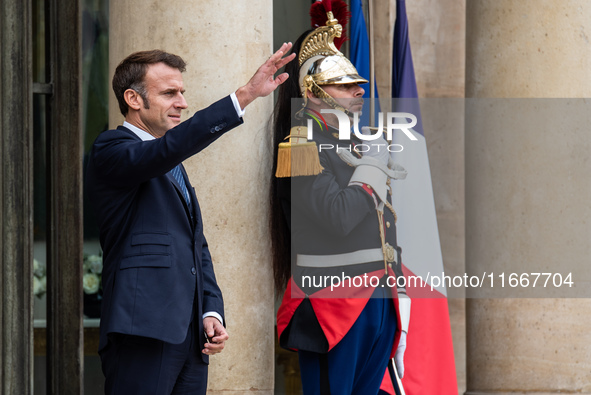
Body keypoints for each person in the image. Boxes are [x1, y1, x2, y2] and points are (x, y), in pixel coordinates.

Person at [86, 45, 295, 394]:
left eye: (182, 92)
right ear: (133, 99)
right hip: (143, 330)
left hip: (192, 338)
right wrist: (243, 97)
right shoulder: (112, 149)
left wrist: (211, 311)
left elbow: (195, 246)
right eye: (169, 93)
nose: (182, 102)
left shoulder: (169, 163)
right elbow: (166, 151)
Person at [270, 1, 410, 394]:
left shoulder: (351, 144)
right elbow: (337, 214)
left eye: (358, 84)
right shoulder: (301, 144)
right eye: (346, 85)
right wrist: (370, 172)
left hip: (378, 297)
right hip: (335, 301)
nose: (359, 91)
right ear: (314, 93)